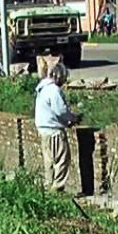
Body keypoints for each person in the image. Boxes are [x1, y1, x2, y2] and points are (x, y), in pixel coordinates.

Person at [34, 63, 79, 192]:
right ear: (59, 77)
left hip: (44, 129)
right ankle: (57, 188)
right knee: (61, 159)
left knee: (49, 160)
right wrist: (72, 118)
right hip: (54, 130)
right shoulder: (53, 90)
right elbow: (61, 111)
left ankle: (49, 185)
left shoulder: (42, 88)